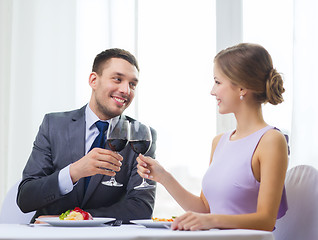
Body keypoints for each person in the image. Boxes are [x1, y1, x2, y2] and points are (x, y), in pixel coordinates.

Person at [137, 43, 288, 231]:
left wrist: (212, 221)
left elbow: (266, 221)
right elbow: (205, 210)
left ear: (242, 87)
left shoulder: (271, 140)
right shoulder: (219, 142)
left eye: (218, 82)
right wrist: (164, 177)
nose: (212, 91)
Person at [17, 48, 157, 223]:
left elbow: (141, 208)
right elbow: (25, 198)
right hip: (49, 235)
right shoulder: (53, 125)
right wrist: (73, 172)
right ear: (93, 80)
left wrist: (77, 218)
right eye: (118, 79)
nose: (126, 90)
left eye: (132, 84)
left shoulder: (141, 136)